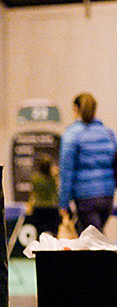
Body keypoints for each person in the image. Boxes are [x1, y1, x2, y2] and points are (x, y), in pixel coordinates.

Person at [58, 92, 117, 232]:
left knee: (92, 242)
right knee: (96, 236)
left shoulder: (72, 134)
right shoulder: (109, 133)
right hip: (107, 196)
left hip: (85, 197)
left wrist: (63, 203)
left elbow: (66, 171)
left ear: (76, 109)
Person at [26, 153, 60, 237]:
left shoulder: (35, 178)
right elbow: (56, 190)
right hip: (52, 207)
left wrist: (29, 205)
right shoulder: (53, 178)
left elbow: (33, 193)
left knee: (39, 234)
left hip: (38, 207)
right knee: (54, 233)